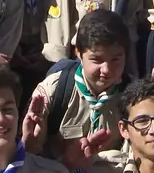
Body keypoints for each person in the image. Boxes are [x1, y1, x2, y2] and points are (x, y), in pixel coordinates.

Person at [27, 9, 129, 159]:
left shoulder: (132, 95)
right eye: (97, 60)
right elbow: (30, 150)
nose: (106, 70)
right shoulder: (57, 88)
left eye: (115, 60)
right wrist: (32, 144)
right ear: (79, 53)